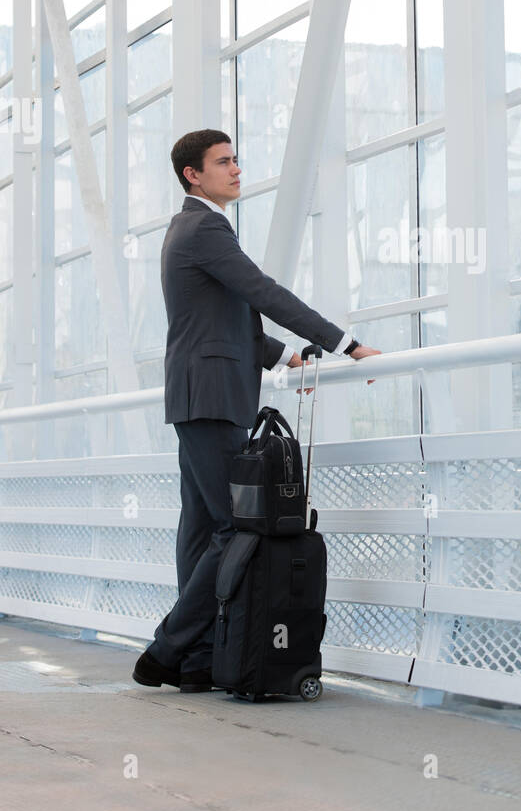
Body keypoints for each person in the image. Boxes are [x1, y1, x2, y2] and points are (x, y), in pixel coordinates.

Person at [133, 128, 380, 693]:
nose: (237, 170)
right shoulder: (204, 227)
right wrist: (346, 343)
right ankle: (166, 650)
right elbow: (264, 293)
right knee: (234, 528)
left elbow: (224, 315)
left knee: (201, 530)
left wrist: (284, 355)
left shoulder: (191, 229)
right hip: (213, 394)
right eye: (224, 162)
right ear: (193, 175)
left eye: (236, 159)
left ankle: (196, 660)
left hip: (201, 393)